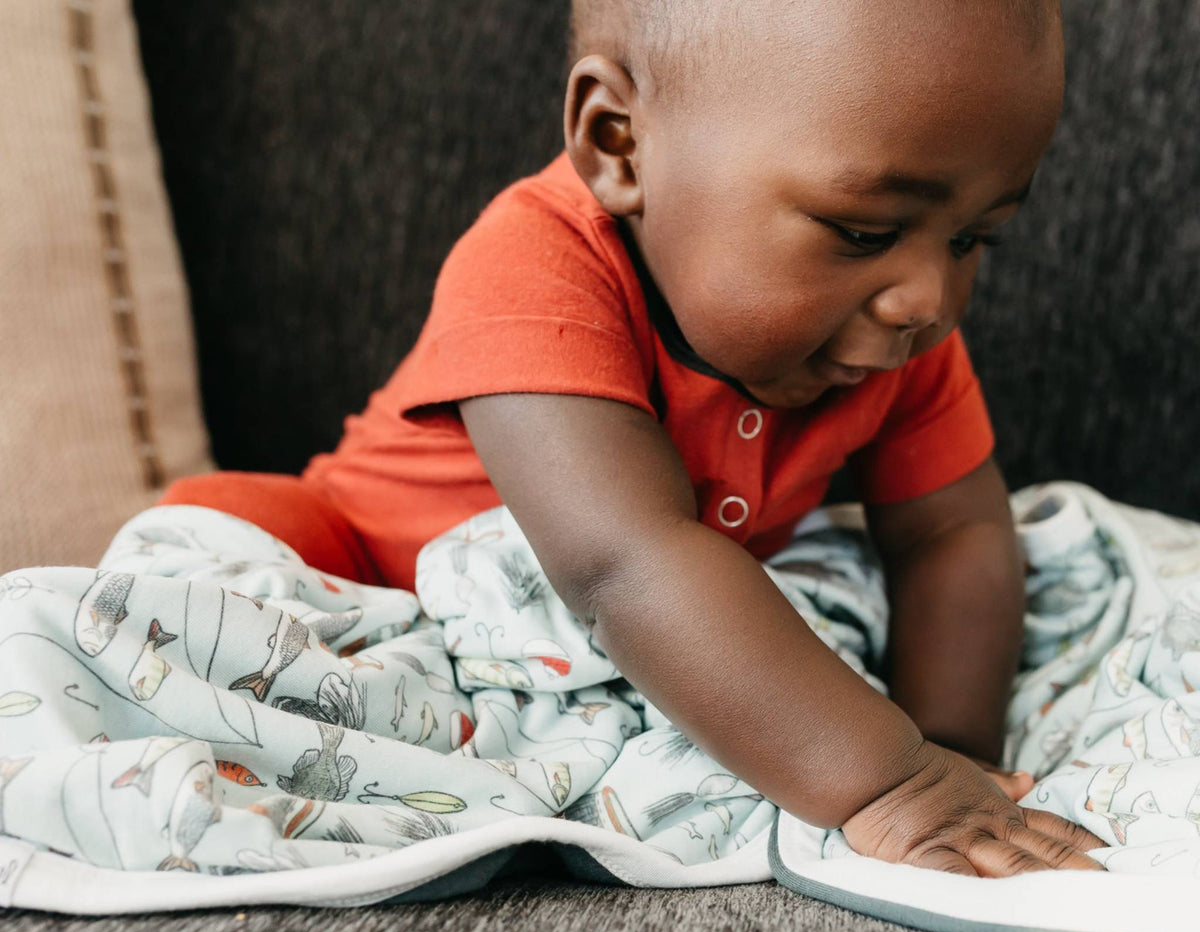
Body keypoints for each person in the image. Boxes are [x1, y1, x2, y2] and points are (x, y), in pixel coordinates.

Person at [160, 0, 1108, 876]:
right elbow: (625, 561)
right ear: (618, 144)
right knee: (219, 546)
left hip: (659, 639)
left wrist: (953, 750)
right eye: (862, 232)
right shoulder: (539, 263)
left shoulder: (895, 339)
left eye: (974, 239)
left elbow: (956, 535)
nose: (927, 299)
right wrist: (894, 782)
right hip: (377, 570)